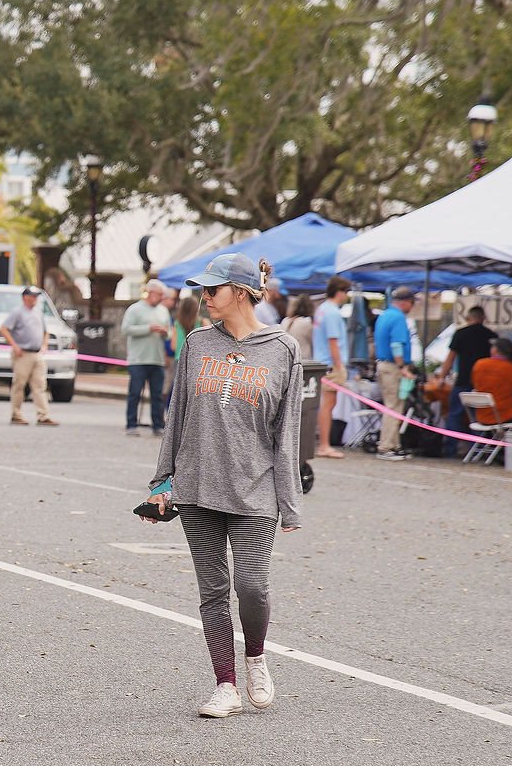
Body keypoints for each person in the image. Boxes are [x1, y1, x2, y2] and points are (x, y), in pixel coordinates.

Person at [146, 254, 303, 719]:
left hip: (255, 489)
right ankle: (225, 683)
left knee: (252, 586)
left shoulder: (284, 349)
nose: (205, 297)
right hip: (196, 486)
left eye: (212, 290)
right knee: (213, 590)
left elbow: (287, 430)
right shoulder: (197, 343)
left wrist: (289, 502)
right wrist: (162, 481)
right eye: (202, 290)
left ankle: (255, 656)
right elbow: (177, 416)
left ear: (240, 291)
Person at [441, 305, 498, 448]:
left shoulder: (460, 333)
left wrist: (442, 376)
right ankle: (478, 447)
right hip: (483, 382)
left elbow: (450, 358)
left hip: (463, 380)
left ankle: (450, 448)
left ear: (468, 318)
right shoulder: (491, 336)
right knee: (480, 416)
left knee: (455, 414)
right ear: (483, 318)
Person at [0, 286, 56, 426]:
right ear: (25, 297)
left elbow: (46, 331)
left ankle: (43, 415)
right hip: (23, 353)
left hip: (37, 353)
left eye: (36, 296)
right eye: (32, 296)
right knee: (19, 384)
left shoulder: (38, 312)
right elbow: (4, 329)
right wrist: (15, 346)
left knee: (40, 385)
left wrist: (44, 345)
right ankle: (16, 414)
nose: (35, 299)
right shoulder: (18, 312)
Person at [373, 288, 418, 460]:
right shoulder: (399, 317)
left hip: (383, 365)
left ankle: (394, 444)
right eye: (412, 303)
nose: (412, 307)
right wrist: (403, 368)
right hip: (393, 367)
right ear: (405, 302)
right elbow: (397, 345)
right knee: (394, 406)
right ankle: (386, 447)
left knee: (392, 405)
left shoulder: (384, 315)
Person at [122, 279, 171, 436]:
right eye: (159, 294)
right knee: (135, 393)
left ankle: (158, 424)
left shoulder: (163, 311)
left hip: (157, 359)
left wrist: (165, 333)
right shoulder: (134, 309)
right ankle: (131, 424)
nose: (162, 297)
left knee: (157, 395)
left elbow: (169, 332)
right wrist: (148, 329)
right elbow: (126, 330)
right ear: (150, 293)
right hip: (138, 359)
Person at [311, 277, 352, 459]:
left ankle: (322, 443)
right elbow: (333, 342)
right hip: (330, 364)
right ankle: (324, 445)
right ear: (340, 291)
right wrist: (339, 366)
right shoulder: (333, 313)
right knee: (328, 405)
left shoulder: (322, 309)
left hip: (322, 361)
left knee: (325, 405)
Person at [469, 338, 512, 428]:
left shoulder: (479, 364)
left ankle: (494, 439)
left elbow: (475, 386)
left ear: (495, 350)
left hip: (481, 417)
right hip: (504, 416)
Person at [280, 296, 315, 361]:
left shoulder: (285, 321)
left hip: (287, 360)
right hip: (304, 361)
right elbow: (314, 341)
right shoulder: (307, 322)